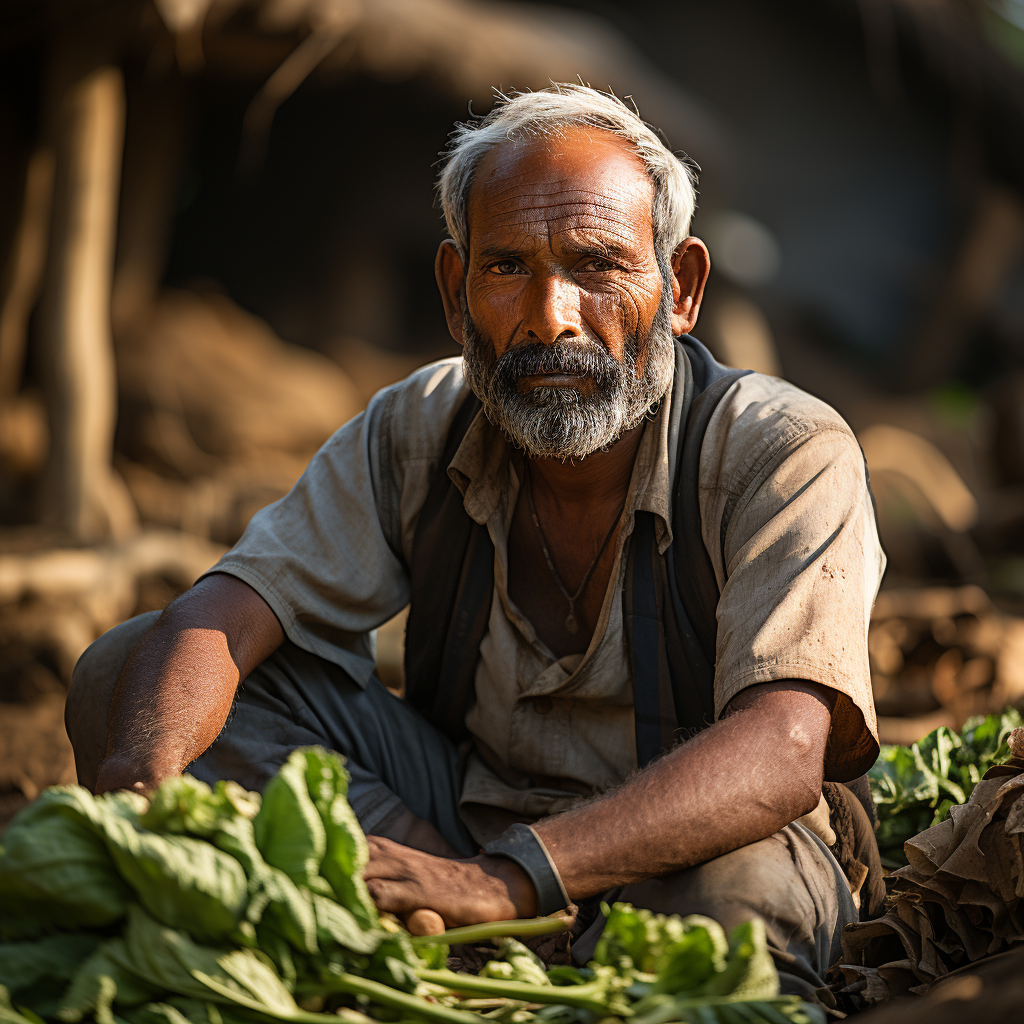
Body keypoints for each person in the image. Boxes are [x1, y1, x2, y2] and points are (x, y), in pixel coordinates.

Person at [67, 85, 885, 1000]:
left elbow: (783, 747)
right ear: (456, 295)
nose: (550, 317)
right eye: (507, 269)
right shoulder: (415, 429)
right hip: (452, 825)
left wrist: (505, 881)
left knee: (732, 929)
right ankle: (449, 921)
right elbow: (228, 611)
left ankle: (474, 922)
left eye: (599, 265)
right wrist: (145, 785)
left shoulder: (781, 451)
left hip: (695, 852)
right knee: (130, 671)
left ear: (682, 289)